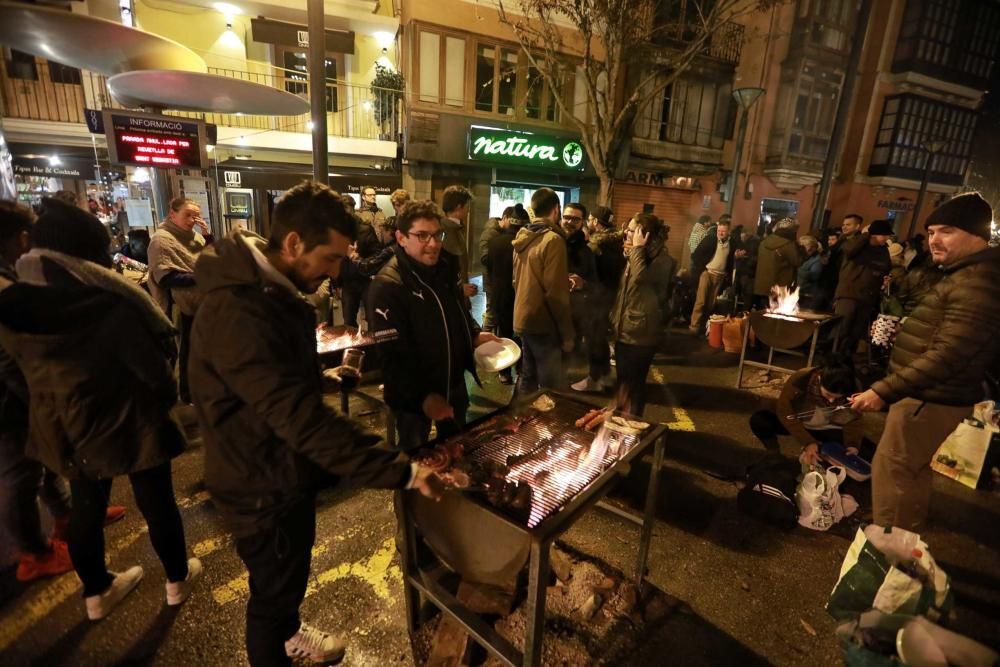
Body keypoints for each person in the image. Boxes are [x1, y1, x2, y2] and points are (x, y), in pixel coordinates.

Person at [188, 181, 443, 665]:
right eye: (329, 258)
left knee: (281, 587)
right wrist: (403, 470)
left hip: (275, 468)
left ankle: (288, 630)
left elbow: (263, 387)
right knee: (271, 598)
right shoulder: (239, 310)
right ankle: (279, 641)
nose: (337, 269)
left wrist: (323, 376)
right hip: (260, 484)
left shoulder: (266, 292)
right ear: (293, 244)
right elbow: (299, 419)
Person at [0, 200, 199, 620]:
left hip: (67, 423)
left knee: (86, 506)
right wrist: (166, 397)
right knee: (157, 502)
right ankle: (177, 581)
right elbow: (154, 371)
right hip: (133, 419)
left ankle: (96, 593)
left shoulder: (13, 301)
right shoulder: (108, 300)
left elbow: (17, 367)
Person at [850, 192, 1000, 529]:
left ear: (977, 234)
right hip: (927, 394)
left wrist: (883, 390)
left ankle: (889, 552)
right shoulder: (966, 274)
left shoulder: (977, 281)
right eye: (931, 232)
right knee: (911, 469)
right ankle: (906, 538)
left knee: (892, 470)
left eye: (946, 231)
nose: (935, 240)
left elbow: (949, 354)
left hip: (929, 397)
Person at [368, 200, 498, 450]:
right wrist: (424, 398)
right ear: (401, 237)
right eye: (422, 235)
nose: (434, 243)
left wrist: (473, 334)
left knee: (458, 452)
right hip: (415, 397)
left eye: (437, 234)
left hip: (453, 382)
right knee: (416, 458)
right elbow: (391, 358)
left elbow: (458, 310)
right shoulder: (387, 286)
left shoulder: (445, 268)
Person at [611, 214, 676, 416]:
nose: (626, 234)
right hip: (625, 330)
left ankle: (632, 428)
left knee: (635, 386)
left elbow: (642, 283)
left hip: (642, 335)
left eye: (632, 230)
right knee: (623, 384)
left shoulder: (664, 261)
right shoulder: (636, 255)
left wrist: (637, 250)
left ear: (644, 235)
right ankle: (620, 428)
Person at [513, 188, 575, 392]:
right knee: (550, 386)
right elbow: (556, 294)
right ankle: (544, 423)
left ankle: (519, 420)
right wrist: (567, 335)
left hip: (523, 317)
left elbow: (516, 280)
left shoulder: (523, 236)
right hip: (543, 322)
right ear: (556, 210)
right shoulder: (553, 240)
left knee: (528, 378)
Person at [147, 197, 208, 404]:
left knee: (202, 350)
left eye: (195, 216)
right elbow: (165, 277)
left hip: (201, 303)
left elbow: (211, 260)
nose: (192, 220)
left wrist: (208, 237)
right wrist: (201, 277)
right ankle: (186, 395)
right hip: (179, 304)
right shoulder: (162, 239)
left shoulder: (197, 238)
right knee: (185, 351)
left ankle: (199, 390)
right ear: (172, 214)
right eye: (187, 215)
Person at [749, 363, 870, 464]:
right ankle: (773, 453)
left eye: (837, 398)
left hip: (829, 428)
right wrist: (808, 442)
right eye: (828, 395)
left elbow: (854, 419)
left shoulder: (853, 387)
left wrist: (853, 445)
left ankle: (826, 452)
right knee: (760, 420)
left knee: (868, 452)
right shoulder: (801, 378)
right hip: (800, 422)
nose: (831, 401)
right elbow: (784, 411)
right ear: (819, 379)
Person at [573, 206, 624, 392]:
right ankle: (605, 375)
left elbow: (595, 276)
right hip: (609, 299)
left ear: (595, 221)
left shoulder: (598, 247)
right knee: (599, 338)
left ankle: (594, 379)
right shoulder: (616, 243)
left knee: (593, 339)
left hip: (598, 300)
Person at [833, 219, 892, 360]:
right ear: (874, 235)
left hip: (868, 297)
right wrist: (865, 235)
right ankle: (833, 356)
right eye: (884, 235)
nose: (887, 238)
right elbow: (848, 249)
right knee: (842, 328)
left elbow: (886, 267)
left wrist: (885, 279)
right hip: (849, 293)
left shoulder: (883, 251)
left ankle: (846, 358)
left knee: (855, 331)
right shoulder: (858, 245)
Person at [486, 205, 530, 385]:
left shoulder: (495, 242)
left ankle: (504, 372)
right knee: (520, 333)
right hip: (521, 294)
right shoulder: (526, 244)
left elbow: (489, 266)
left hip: (500, 296)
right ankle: (520, 367)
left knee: (503, 334)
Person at [562, 203, 597, 362]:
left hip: (574, 315)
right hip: (549, 312)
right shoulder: (552, 243)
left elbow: (595, 283)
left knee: (569, 359)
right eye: (566, 217)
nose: (569, 222)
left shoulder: (587, 252)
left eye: (575, 219)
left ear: (582, 222)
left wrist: (583, 283)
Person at [689, 219, 735, 332]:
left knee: (711, 304)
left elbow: (730, 259)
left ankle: (704, 326)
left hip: (720, 276)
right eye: (719, 230)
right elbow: (695, 255)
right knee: (701, 301)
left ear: (728, 232)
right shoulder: (710, 239)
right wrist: (702, 268)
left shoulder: (731, 243)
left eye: (723, 231)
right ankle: (694, 327)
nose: (720, 233)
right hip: (707, 274)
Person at [753, 217, 801, 307]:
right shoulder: (788, 245)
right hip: (779, 286)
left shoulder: (763, 242)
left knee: (762, 312)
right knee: (774, 315)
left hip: (761, 285)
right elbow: (797, 261)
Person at [440, 185, 478, 298]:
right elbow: (444, 273)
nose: (468, 209)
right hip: (451, 300)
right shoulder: (446, 231)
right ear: (458, 207)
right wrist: (460, 290)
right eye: (467, 205)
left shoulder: (455, 228)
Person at [819, 214, 863, 300]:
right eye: (843, 225)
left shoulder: (858, 243)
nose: (844, 227)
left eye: (848, 225)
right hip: (830, 281)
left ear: (857, 226)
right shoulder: (842, 240)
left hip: (843, 284)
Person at [478, 216, 502, 330]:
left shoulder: (497, 232)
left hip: (494, 278)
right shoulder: (489, 233)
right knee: (491, 312)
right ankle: (485, 337)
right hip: (491, 279)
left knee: (493, 311)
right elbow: (484, 257)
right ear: (505, 218)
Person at [732, 224, 759, 312]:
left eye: (743, 236)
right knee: (746, 296)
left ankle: (742, 315)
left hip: (747, 273)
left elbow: (753, 258)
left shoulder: (752, 243)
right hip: (745, 273)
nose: (741, 238)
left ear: (747, 234)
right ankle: (742, 314)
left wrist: (742, 257)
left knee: (746, 296)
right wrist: (737, 256)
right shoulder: (749, 242)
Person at [796, 235, 825, 311]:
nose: (801, 249)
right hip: (800, 293)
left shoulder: (817, 260)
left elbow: (815, 275)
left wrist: (797, 270)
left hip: (809, 295)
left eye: (804, 247)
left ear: (813, 248)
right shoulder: (804, 257)